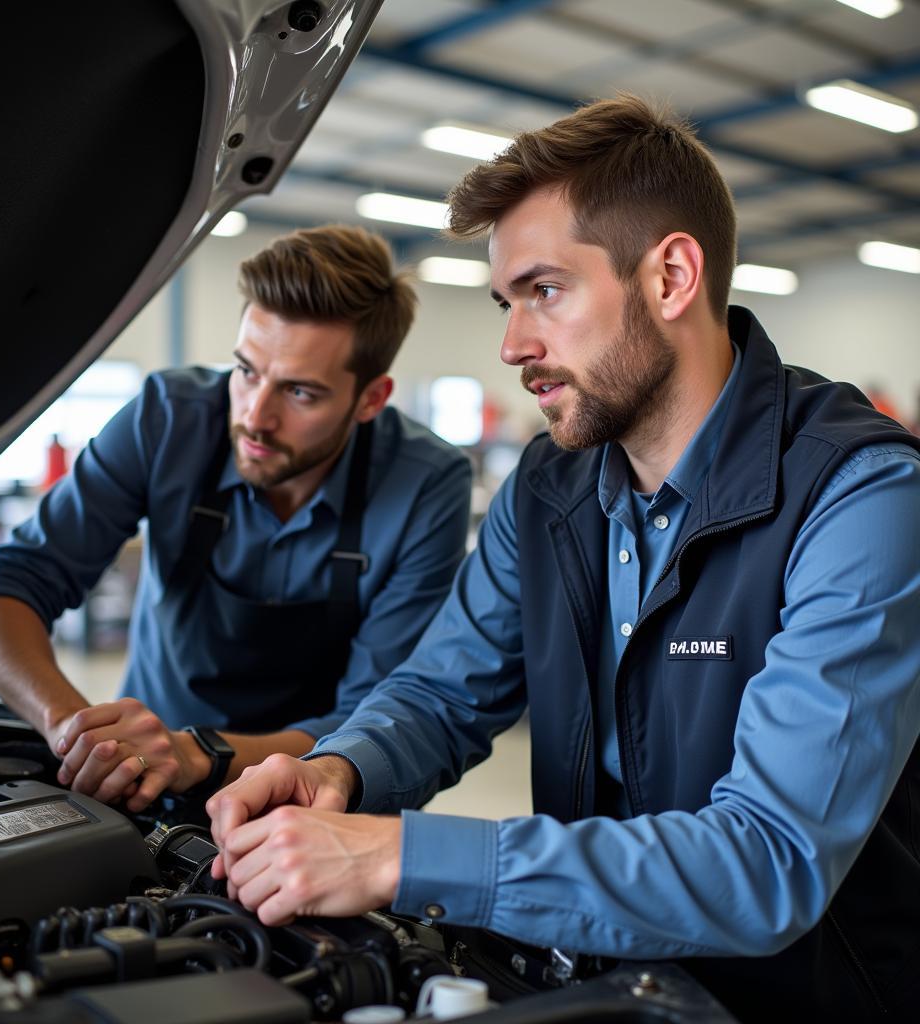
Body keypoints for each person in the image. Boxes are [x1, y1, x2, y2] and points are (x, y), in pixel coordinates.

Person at [205, 97, 920, 1020]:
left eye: (544, 290)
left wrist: (395, 855)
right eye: (508, 303)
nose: (512, 345)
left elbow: (768, 860)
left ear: (670, 277)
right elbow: (441, 694)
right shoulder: (549, 488)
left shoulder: (861, 495)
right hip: (607, 988)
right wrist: (341, 771)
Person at [0, 225, 472, 815]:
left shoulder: (426, 484)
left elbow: (380, 717)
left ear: (372, 399)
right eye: (246, 371)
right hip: (142, 785)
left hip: (311, 805)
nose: (255, 416)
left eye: (300, 393)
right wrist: (78, 733)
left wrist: (200, 752)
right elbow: (2, 591)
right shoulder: (167, 418)